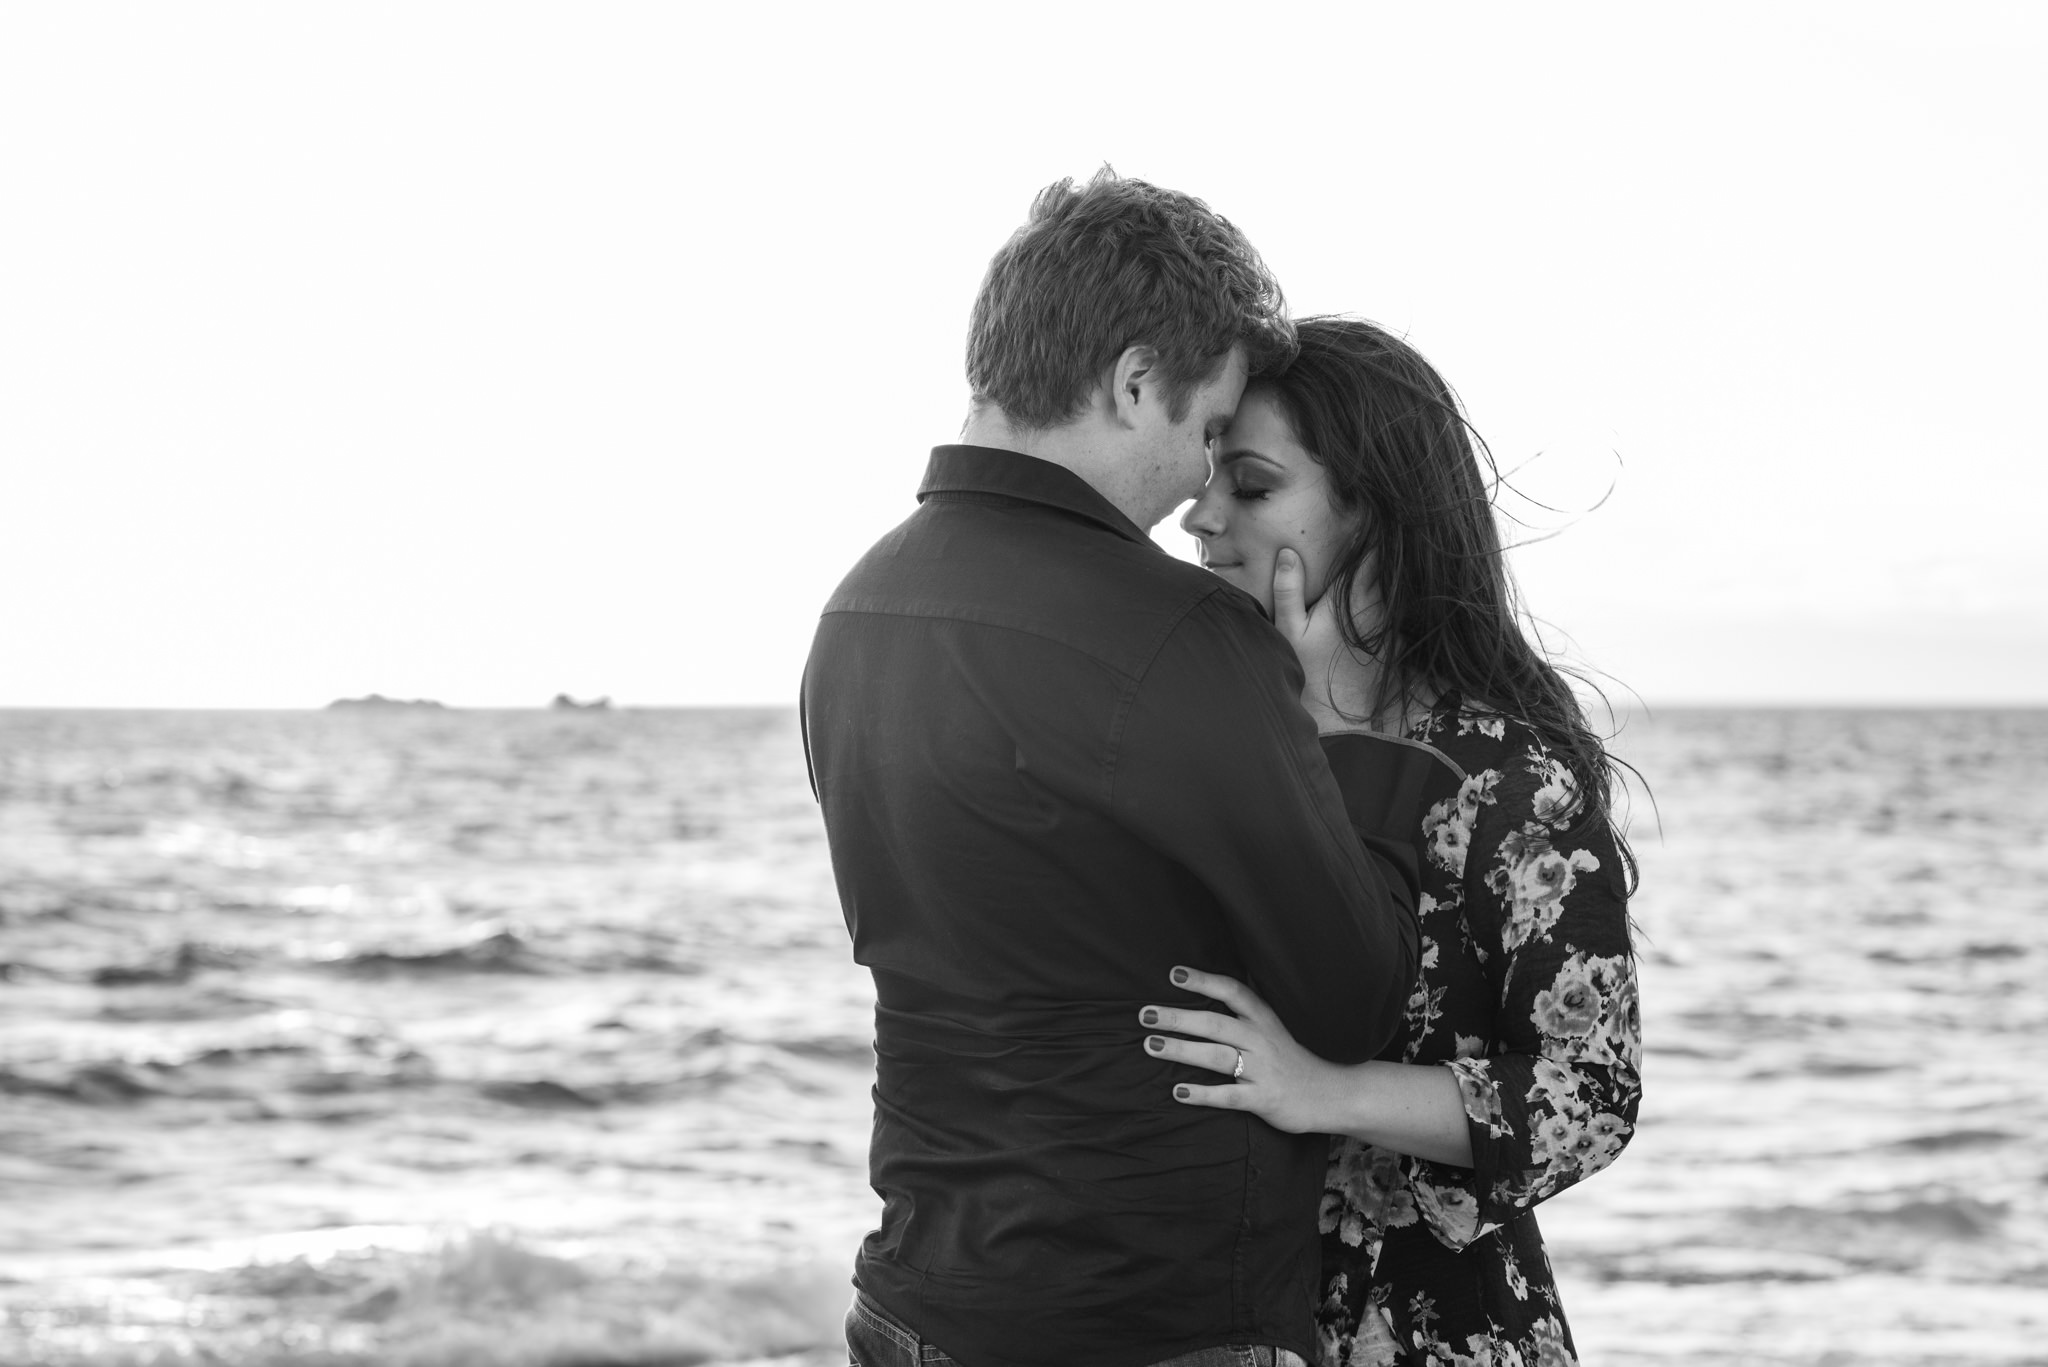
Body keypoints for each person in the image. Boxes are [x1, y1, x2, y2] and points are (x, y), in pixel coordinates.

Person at [802, 176, 1446, 1367]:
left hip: (912, 1301)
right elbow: (1354, 995)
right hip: (1139, 1318)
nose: (1202, 487)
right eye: (1205, 432)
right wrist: (1348, 736)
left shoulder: (858, 607)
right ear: (1135, 381)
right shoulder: (1178, 633)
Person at [1138, 317, 1642, 1366]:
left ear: (1372, 511)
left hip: (1430, 1328)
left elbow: (1588, 1098)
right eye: (1207, 475)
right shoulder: (1194, 738)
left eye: (1252, 484)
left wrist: (1318, 1086)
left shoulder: (1507, 782)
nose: (1198, 516)